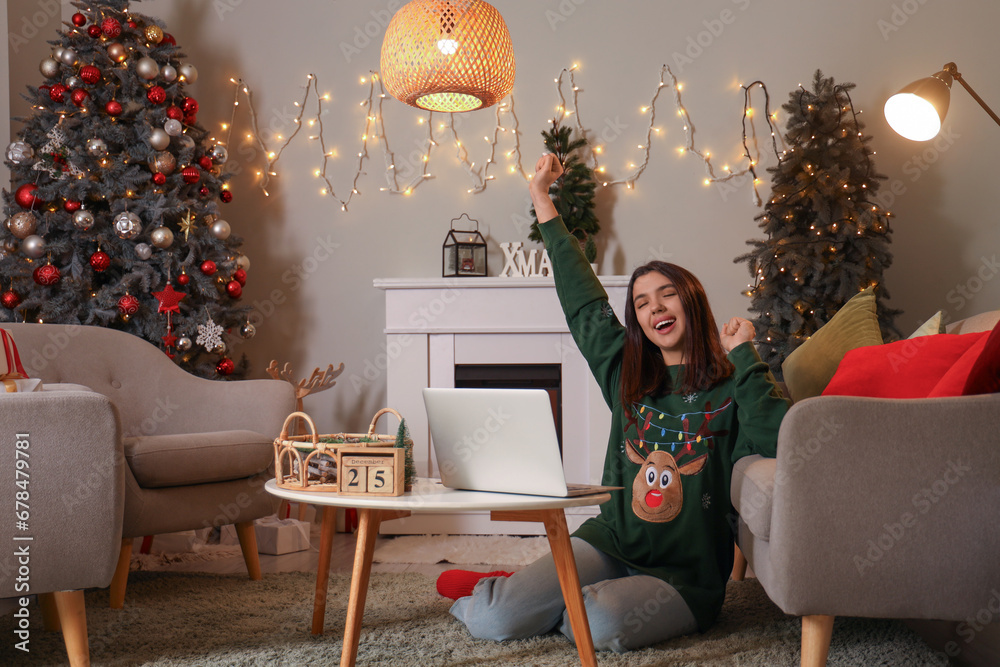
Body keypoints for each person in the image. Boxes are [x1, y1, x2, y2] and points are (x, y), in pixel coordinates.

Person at [436, 153, 790, 652]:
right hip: (610, 543)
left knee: (603, 625)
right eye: (642, 303)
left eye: (667, 296)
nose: (655, 309)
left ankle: (544, 594)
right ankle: (502, 592)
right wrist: (541, 197)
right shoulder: (627, 373)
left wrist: (746, 356)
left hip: (683, 577)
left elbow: (781, 438)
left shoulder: (734, 383)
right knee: (495, 620)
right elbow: (583, 301)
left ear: (692, 303)